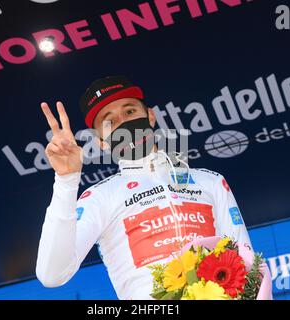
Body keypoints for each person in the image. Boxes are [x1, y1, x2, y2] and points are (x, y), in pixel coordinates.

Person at [35, 75, 252, 300]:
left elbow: (249, 265)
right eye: (110, 122)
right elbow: (52, 275)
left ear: (150, 116)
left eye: (130, 112)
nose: (124, 123)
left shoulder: (211, 182)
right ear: (100, 140)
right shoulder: (99, 197)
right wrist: (66, 181)